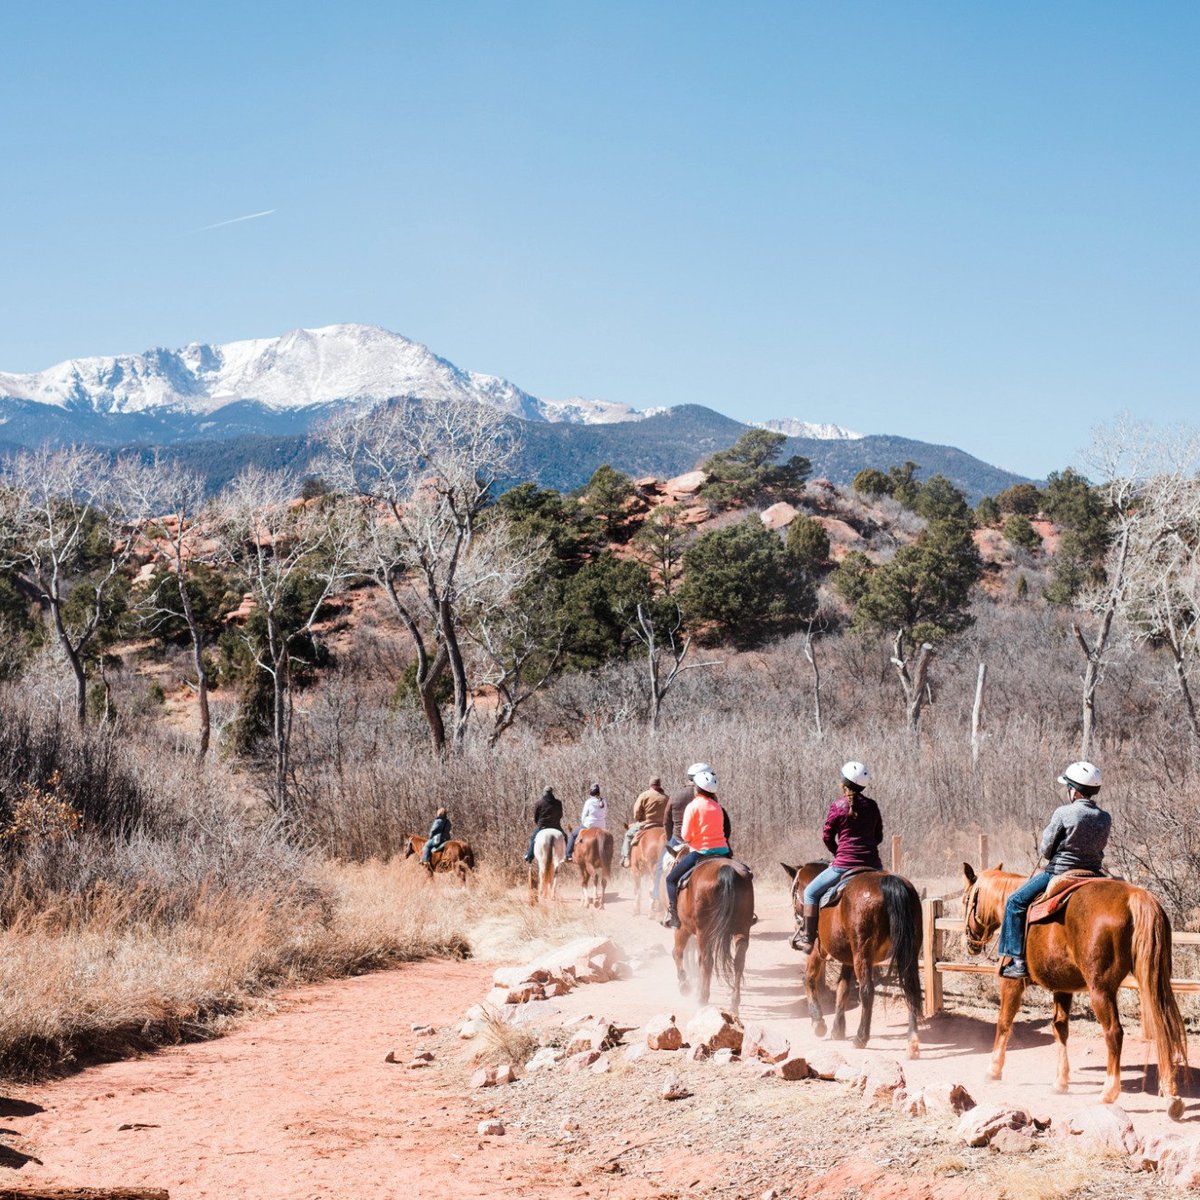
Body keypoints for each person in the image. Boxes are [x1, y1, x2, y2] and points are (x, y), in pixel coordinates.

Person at [998, 761, 1109, 979]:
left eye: (1068, 786)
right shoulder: (1105, 817)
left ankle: (1017, 961)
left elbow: (1046, 850)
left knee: (1015, 901)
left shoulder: (1063, 813)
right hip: (1095, 873)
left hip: (1060, 871)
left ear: (1074, 791)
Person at [793, 761, 882, 953]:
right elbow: (879, 837)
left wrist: (838, 853)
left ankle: (808, 939)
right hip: (873, 865)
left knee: (810, 894)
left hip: (843, 865)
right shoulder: (872, 806)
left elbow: (827, 836)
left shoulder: (838, 806)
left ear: (843, 783)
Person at [661, 768, 732, 929]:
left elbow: (686, 836)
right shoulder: (718, 807)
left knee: (670, 879)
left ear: (697, 789)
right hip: (723, 853)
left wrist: (694, 839)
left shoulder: (693, 807)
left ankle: (674, 916)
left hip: (701, 853)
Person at [655, 762, 711, 900]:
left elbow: (667, 820)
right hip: (704, 842)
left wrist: (670, 840)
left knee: (661, 866)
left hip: (679, 839)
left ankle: (657, 895)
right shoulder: (710, 796)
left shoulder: (675, 795)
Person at [620, 775, 669, 867]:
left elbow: (636, 812)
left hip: (646, 824)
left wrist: (638, 819)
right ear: (659, 784)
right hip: (663, 825)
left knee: (628, 835)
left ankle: (626, 858)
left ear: (650, 784)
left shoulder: (644, 795)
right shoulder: (666, 797)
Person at [565, 783, 607, 861]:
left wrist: (583, 823)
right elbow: (605, 813)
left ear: (591, 792)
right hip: (602, 826)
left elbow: (584, 815)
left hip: (589, 825)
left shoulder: (589, 802)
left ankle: (568, 855)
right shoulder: (603, 801)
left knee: (573, 835)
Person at [523, 786, 564, 864]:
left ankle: (529, 856)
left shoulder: (539, 803)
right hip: (556, 826)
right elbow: (560, 815)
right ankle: (566, 854)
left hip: (542, 826)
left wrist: (539, 823)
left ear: (544, 792)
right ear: (552, 792)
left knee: (533, 837)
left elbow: (536, 817)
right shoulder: (558, 802)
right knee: (565, 837)